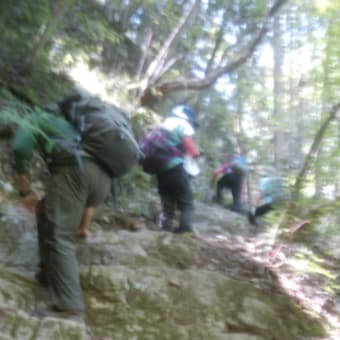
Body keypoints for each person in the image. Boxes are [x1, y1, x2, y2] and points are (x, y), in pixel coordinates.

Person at [11, 95, 131, 320]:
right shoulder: (82, 129)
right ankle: (48, 275)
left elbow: (20, 147)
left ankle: (69, 306)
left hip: (75, 171)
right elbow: (87, 198)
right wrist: (84, 224)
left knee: (59, 236)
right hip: (103, 180)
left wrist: (25, 192)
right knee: (46, 212)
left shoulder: (37, 117)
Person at [156, 105, 200, 235]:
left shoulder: (164, 123)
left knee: (167, 204)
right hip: (175, 167)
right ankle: (184, 232)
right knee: (186, 204)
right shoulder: (182, 124)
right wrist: (197, 154)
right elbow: (190, 147)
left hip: (160, 168)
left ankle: (165, 230)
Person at [210, 146, 248, 213]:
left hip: (229, 176)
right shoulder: (243, 162)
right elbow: (244, 177)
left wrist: (212, 185)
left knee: (219, 184)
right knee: (236, 197)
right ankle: (237, 209)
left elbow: (216, 172)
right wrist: (243, 193)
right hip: (239, 179)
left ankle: (219, 200)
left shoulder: (231, 160)